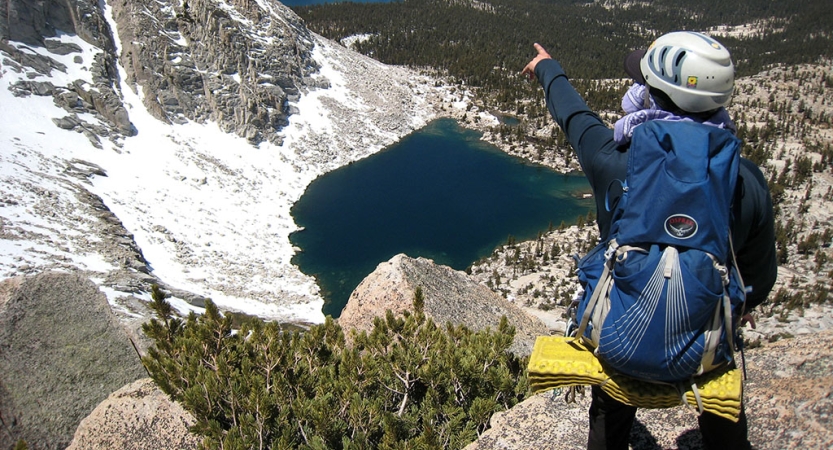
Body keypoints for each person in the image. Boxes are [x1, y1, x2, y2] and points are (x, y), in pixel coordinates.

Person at [522, 31, 778, 450]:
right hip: (702, 346)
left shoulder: (615, 160)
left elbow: (577, 119)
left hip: (620, 342)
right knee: (723, 389)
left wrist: (547, 69)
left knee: (610, 392)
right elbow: (759, 278)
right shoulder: (745, 180)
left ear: (652, 95)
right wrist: (741, 302)